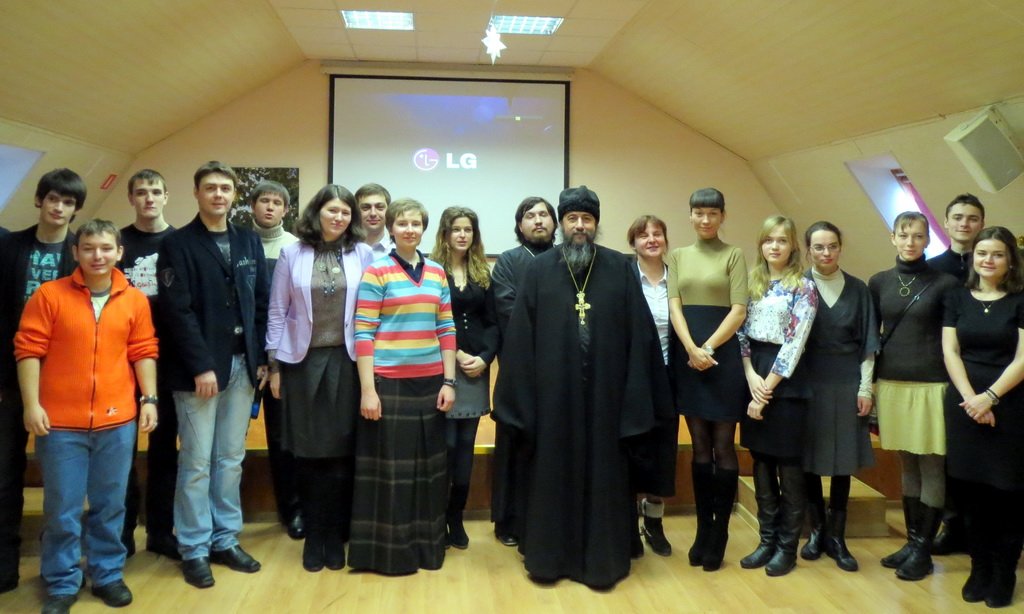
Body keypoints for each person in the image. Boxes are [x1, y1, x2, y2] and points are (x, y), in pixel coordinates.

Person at [494, 186, 672, 589]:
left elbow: (639, 336)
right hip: (553, 401)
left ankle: (603, 560)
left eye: (586, 219)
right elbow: (521, 339)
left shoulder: (619, 268)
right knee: (551, 475)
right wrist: (522, 400)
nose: (579, 226)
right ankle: (549, 558)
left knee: (605, 476)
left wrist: (635, 396)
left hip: (607, 400)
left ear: (596, 224)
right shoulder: (539, 270)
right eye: (572, 219)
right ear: (562, 223)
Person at [16, 220, 159, 613]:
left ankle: (107, 574)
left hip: (118, 422)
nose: (98, 256)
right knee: (62, 509)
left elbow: (143, 350)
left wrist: (149, 398)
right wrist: (32, 404)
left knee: (110, 504)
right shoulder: (49, 295)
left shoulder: (134, 300)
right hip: (60, 425)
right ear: (76, 252)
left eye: (106, 248)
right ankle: (62, 581)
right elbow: (28, 350)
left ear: (119, 253)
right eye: (90, 248)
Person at [157, 161, 269, 588]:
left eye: (225, 188)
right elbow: (177, 312)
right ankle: (194, 547)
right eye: (210, 188)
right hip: (199, 372)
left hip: (243, 366)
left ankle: (225, 538)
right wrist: (201, 365)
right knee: (197, 462)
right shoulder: (177, 243)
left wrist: (262, 358)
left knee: (230, 459)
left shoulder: (247, 240)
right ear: (197, 193)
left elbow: (260, 302)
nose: (218, 194)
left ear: (234, 194)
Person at [266, 184, 373, 572]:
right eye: (332, 210)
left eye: (345, 212)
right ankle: (314, 535)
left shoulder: (364, 253)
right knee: (309, 454)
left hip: (347, 362)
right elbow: (277, 311)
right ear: (317, 213)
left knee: (342, 452)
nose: (339, 217)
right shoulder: (292, 253)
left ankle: (335, 534)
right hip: (302, 364)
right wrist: (274, 366)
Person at [349, 198, 457, 574]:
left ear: (424, 229)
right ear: (391, 229)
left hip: (431, 385)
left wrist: (449, 381)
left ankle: (427, 550)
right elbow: (363, 332)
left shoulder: (438, 272)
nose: (409, 229)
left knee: (429, 474)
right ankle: (392, 555)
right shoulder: (377, 271)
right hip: (388, 383)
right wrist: (368, 390)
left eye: (416, 224)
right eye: (402, 223)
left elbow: (446, 327)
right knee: (392, 475)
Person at [0, 168, 84, 594]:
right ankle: (5, 563)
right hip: (12, 378)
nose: (59, 208)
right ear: (39, 200)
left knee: (64, 482)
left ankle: (62, 564)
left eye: (68, 202)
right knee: (4, 473)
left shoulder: (83, 252)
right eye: (53, 199)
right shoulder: (9, 246)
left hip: (66, 380)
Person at [868, 211, 958, 582]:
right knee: (907, 463)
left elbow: (953, 339)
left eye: (918, 236)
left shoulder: (946, 283)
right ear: (893, 237)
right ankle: (912, 541)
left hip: (932, 384)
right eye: (903, 235)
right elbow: (872, 336)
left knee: (932, 464)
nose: (910, 242)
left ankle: (923, 550)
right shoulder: (879, 282)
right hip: (891, 383)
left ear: (927, 240)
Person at [665, 188, 747, 571]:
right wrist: (691, 349)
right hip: (689, 358)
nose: (705, 219)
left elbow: (739, 309)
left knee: (723, 446)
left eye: (712, 213)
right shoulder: (678, 256)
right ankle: (702, 530)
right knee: (699, 446)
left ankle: (720, 533)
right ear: (690, 215)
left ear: (722, 216)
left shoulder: (734, 254)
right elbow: (674, 306)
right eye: (699, 212)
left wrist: (708, 348)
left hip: (722, 358)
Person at [942, 226, 1024, 608]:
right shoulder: (956, 297)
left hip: (1010, 404)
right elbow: (950, 351)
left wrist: (989, 398)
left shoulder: (1020, 299)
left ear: (1010, 261)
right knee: (969, 492)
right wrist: (971, 400)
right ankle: (979, 568)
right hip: (964, 404)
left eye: (997, 254)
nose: (988, 260)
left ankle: (1004, 573)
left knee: (1007, 492)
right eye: (982, 253)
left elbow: (1023, 358)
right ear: (972, 257)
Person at [738, 215, 817, 577]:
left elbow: (795, 343)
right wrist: (749, 375)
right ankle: (766, 540)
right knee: (761, 462)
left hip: (786, 381)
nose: (774, 246)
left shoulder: (804, 286)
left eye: (782, 240)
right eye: (769, 240)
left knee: (788, 465)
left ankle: (787, 547)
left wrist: (765, 389)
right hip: (753, 372)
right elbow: (740, 331)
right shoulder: (751, 282)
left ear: (792, 246)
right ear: (761, 244)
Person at [799, 221, 878, 572]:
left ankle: (837, 536)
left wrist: (865, 388)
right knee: (810, 458)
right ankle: (816, 531)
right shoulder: (798, 285)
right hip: (808, 382)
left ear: (840, 248)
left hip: (847, 381)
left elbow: (868, 345)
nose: (826, 253)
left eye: (832, 246)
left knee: (844, 460)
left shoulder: (859, 289)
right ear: (808, 250)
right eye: (819, 247)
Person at [118, 168, 180, 560]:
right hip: (121, 361)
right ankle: (122, 533)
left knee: (164, 451)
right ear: (131, 198)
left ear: (166, 196)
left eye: (155, 191)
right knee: (120, 453)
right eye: (141, 192)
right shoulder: (117, 242)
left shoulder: (180, 242)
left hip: (168, 361)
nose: (149, 199)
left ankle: (160, 531)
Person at [429, 207, 499, 550]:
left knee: (465, 448)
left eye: (468, 229)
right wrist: (455, 355)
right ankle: (436, 518)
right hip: (442, 366)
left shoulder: (483, 273)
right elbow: (429, 319)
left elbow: (493, 322)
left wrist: (485, 357)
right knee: (446, 446)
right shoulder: (431, 271)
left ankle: (455, 518)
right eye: (456, 229)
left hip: (475, 369)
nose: (462, 235)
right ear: (444, 234)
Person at [489, 196, 556, 546]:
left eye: (544, 214)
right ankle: (509, 522)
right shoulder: (508, 262)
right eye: (530, 216)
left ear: (554, 223)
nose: (538, 220)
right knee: (515, 446)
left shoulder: (565, 259)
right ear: (520, 225)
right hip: (519, 371)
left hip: (560, 373)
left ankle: (549, 519)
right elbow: (508, 310)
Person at [927, 193, 984, 556]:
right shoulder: (932, 269)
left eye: (972, 218)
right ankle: (953, 524)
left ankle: (985, 528)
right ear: (946, 223)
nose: (965, 224)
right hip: (944, 372)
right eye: (958, 217)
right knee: (949, 454)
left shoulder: (999, 266)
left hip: (990, 371)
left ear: (982, 224)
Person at [250, 180, 303, 540]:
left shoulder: (296, 248)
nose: (270, 207)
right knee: (271, 438)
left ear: (286, 209)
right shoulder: (240, 243)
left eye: (276, 202)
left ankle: (300, 508)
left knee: (292, 436)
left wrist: (277, 361)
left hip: (287, 358)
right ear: (253, 205)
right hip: (249, 356)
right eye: (264, 201)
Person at [627, 215, 678, 557]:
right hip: (633, 376)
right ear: (633, 243)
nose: (651, 240)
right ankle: (629, 524)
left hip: (670, 375)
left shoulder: (678, 278)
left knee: (663, 450)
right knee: (633, 446)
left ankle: (655, 523)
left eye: (657, 234)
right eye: (643, 235)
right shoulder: (625, 277)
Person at [355, 183, 392, 258]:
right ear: (356, 211)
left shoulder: (399, 251)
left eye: (380, 207)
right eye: (366, 208)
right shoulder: (344, 250)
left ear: (388, 211)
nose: (373, 213)